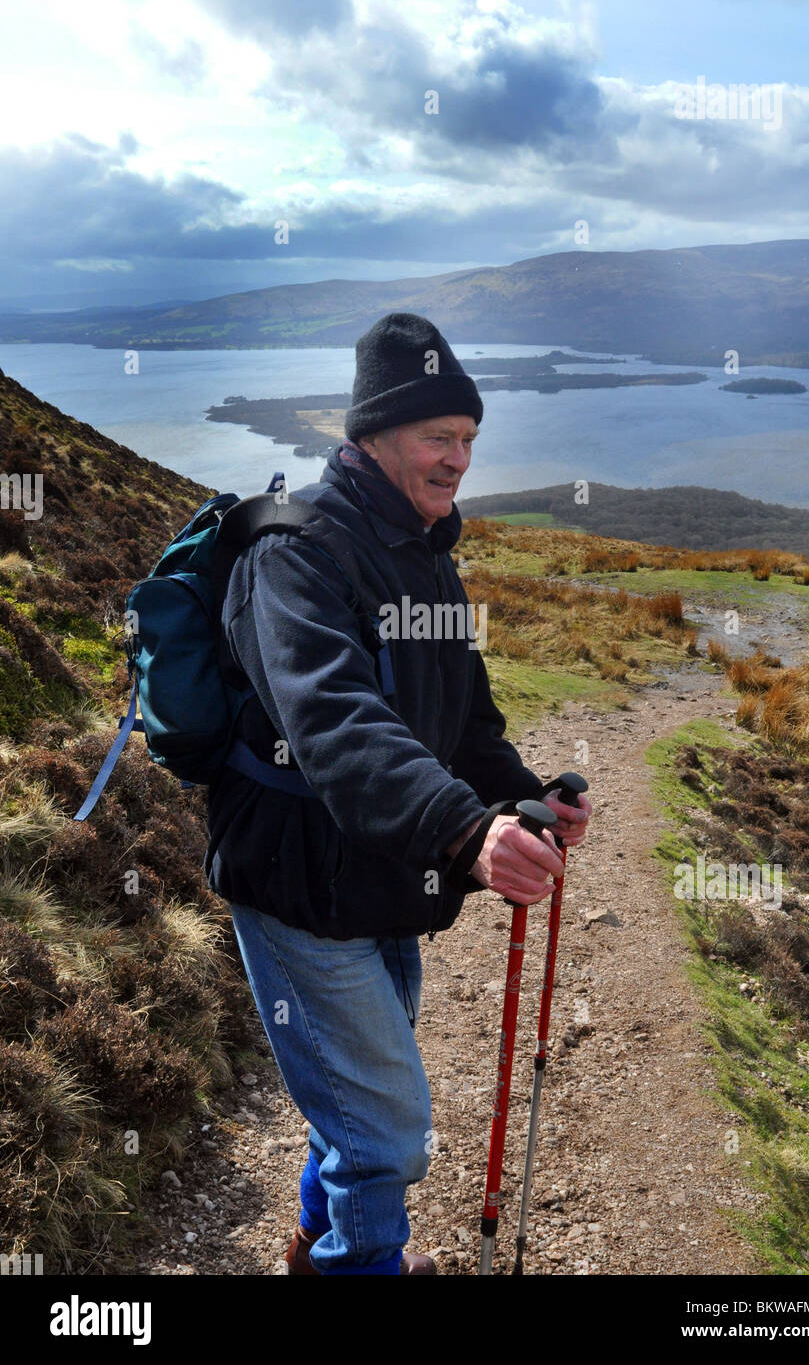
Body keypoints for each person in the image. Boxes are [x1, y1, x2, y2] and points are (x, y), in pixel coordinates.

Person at [205, 312, 591, 1275]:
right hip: (298, 880)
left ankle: (312, 1246)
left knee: (353, 1093)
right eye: (437, 438)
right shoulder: (291, 557)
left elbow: (463, 723)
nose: (459, 459)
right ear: (368, 436)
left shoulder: (422, 552)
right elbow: (334, 723)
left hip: (382, 875)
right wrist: (466, 831)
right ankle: (361, 1266)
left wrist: (525, 796)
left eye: (468, 439)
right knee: (388, 1128)